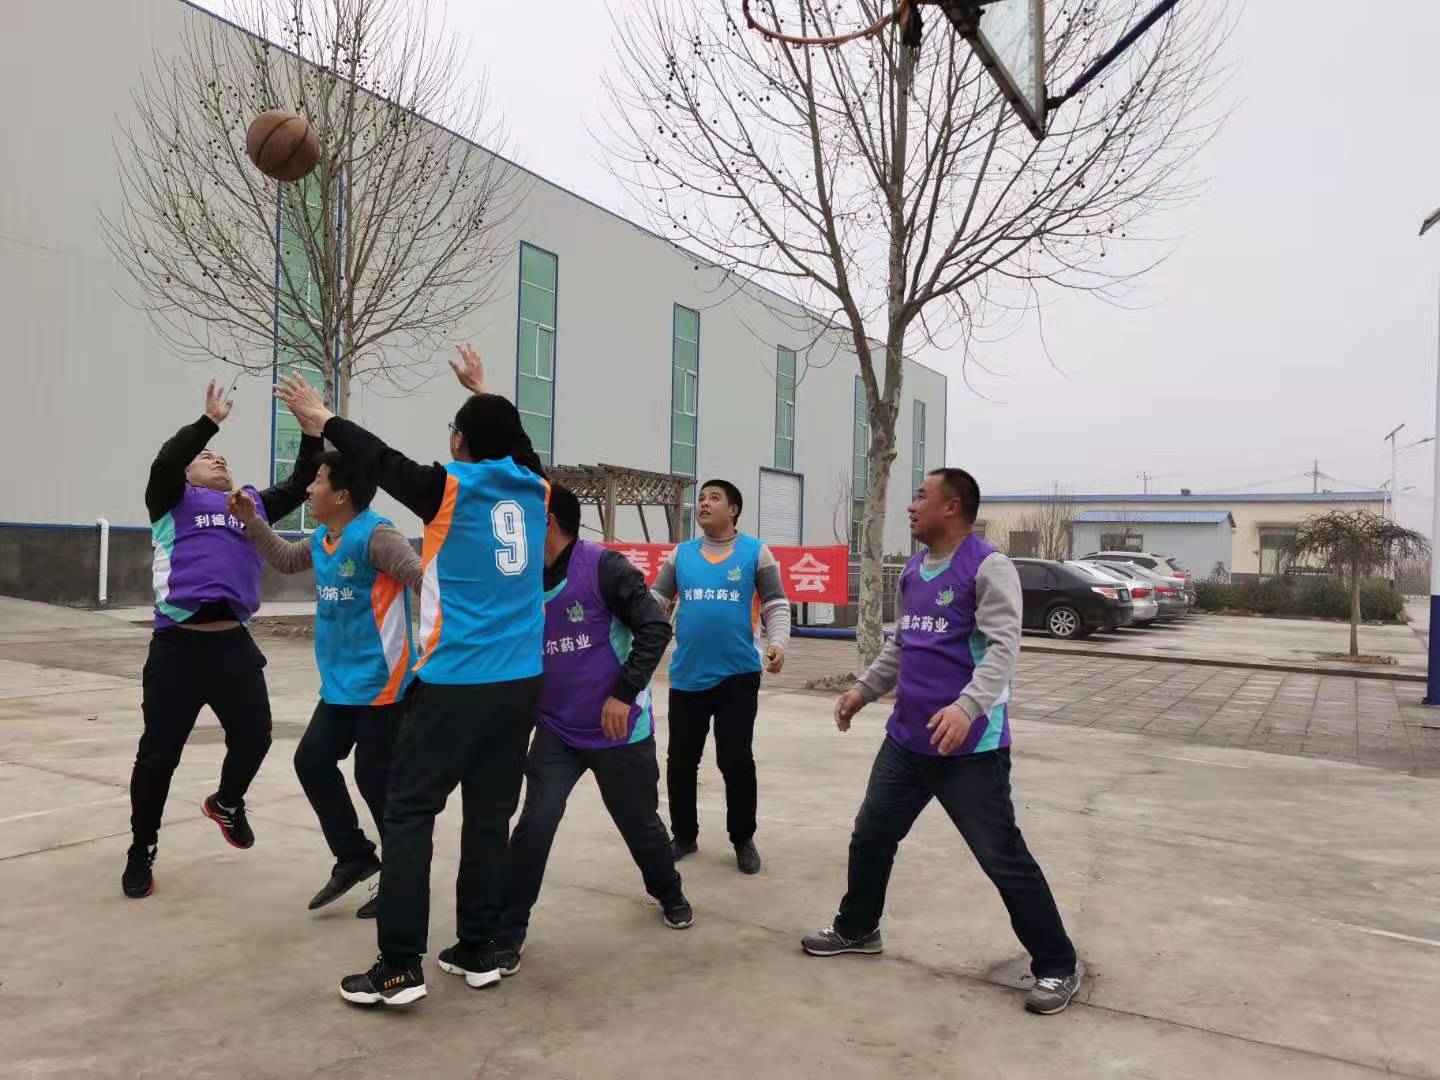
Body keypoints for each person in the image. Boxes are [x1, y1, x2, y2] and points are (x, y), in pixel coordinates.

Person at [276, 344, 547, 1009]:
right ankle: (478, 947)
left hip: (456, 682)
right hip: (520, 686)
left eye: (456, 432)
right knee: (489, 817)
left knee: (407, 813)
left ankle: (399, 966)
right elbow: (519, 445)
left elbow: (379, 459)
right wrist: (484, 391)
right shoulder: (537, 489)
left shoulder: (451, 490)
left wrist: (325, 418)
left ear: (459, 443)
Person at [801, 468, 1081, 1016]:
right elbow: (903, 643)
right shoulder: (913, 569)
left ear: (951, 507)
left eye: (921, 496)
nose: (911, 506)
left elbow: (1003, 648)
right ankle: (858, 928)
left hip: (969, 748)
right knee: (872, 834)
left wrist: (967, 706)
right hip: (907, 739)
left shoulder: (988, 567)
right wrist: (864, 689)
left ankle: (1057, 964)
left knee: (1002, 856)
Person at [123, 379, 323, 899]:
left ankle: (227, 802)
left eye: (221, 458)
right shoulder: (170, 500)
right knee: (158, 757)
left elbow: (302, 481)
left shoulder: (249, 504)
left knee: (256, 737)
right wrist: (208, 424)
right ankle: (142, 847)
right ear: (188, 472)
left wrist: (310, 431)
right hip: (177, 648)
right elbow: (167, 461)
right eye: (206, 457)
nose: (217, 459)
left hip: (232, 645)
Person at [493, 483, 688, 975]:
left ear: (548, 522)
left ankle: (668, 890)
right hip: (557, 728)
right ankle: (508, 932)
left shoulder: (604, 567)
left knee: (640, 824)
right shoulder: (520, 576)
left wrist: (623, 693)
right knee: (535, 824)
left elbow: (655, 627)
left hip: (617, 728)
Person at [228, 451, 421, 920]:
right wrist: (252, 520)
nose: (310, 489)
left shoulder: (378, 537)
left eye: (318, 481)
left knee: (374, 780)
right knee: (312, 761)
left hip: (384, 684)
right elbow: (283, 558)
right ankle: (354, 856)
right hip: (341, 683)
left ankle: (402, 880)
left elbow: (423, 580)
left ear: (342, 495)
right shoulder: (323, 538)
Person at [653, 480, 789, 875]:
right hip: (687, 676)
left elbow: (776, 604)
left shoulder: (755, 553)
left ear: (734, 509)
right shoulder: (680, 555)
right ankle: (684, 834)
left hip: (738, 676)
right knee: (681, 761)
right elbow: (655, 604)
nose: (704, 503)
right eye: (701, 498)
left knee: (736, 760)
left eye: (714, 498)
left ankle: (742, 838)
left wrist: (778, 643)